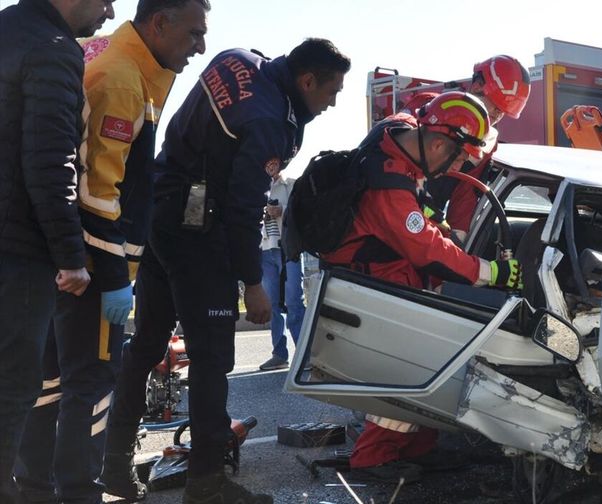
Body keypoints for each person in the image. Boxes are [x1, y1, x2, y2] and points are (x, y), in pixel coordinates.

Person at [101, 38, 350, 503]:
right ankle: (207, 483)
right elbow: (243, 206)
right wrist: (253, 282)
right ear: (307, 80)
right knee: (212, 357)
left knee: (147, 345)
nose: (332, 103)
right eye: (331, 91)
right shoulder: (269, 120)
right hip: (199, 234)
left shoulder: (238, 59)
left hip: (160, 214)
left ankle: (113, 465)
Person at [12, 1, 209, 502]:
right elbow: (98, 190)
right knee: (92, 382)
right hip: (93, 261)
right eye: (194, 33)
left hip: (60, 252)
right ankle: (80, 490)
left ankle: (35, 488)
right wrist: (115, 275)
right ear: (159, 23)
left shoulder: (107, 55)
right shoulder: (123, 78)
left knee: (49, 381)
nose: (200, 46)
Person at [321, 91, 523, 483]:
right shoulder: (388, 190)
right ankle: (373, 458)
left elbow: (418, 220)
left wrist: (429, 214)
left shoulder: (400, 134)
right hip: (382, 278)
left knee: (425, 361)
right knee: (407, 367)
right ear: (438, 145)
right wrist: (492, 272)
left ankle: (417, 448)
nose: (458, 168)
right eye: (460, 158)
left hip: (388, 270)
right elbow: (429, 251)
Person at [0, 0, 117, 499]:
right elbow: (51, 163)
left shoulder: (8, 29)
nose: (109, 13)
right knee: (11, 390)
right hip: (18, 252)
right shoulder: (52, 49)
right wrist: (71, 257)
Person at [427, 55, 531, 241]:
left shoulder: (486, 144)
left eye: (504, 110)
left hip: (425, 228)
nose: (498, 114)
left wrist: (457, 242)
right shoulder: (430, 109)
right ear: (476, 87)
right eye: (497, 105)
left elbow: (465, 197)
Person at [258, 173, 306, 371]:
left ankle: (305, 356)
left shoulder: (291, 185)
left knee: (294, 301)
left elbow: (303, 211)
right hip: (264, 249)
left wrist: (282, 211)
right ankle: (279, 354)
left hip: (288, 249)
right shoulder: (254, 185)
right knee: (272, 305)